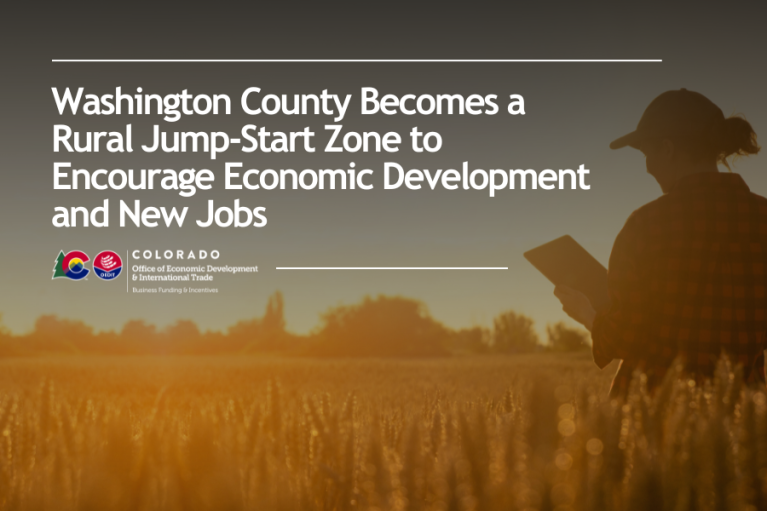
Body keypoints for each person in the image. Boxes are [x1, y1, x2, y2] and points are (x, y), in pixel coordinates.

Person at [554, 88, 762, 397]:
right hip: (748, 417)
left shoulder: (646, 225)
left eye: (647, 154)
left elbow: (623, 339)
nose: (648, 167)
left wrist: (587, 313)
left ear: (667, 148)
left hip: (655, 415)